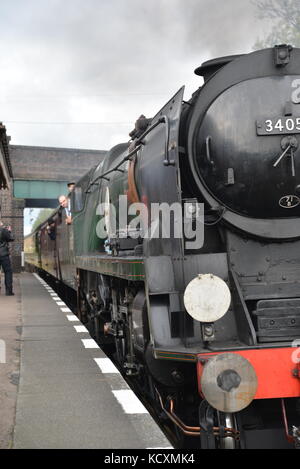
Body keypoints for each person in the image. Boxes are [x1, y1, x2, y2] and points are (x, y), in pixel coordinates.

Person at [0, 221, 14, 296]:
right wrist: (9, 231)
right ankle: (8, 291)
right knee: (8, 272)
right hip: (3, 255)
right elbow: (11, 239)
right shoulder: (4, 230)